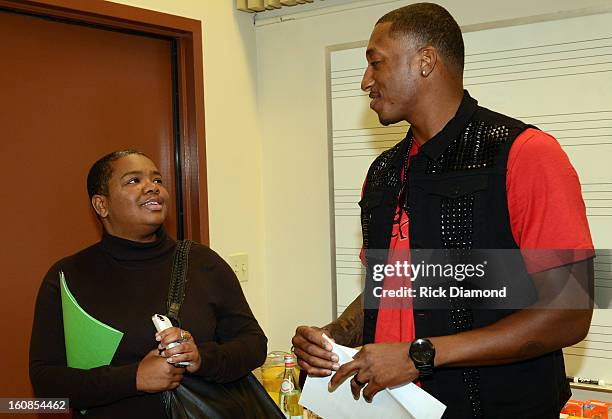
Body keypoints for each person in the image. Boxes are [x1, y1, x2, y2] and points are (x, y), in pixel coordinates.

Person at [292, 3, 594, 418]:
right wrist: (335, 334)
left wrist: (419, 356)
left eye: (375, 64)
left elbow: (569, 315)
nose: (365, 82)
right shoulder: (382, 173)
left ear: (425, 61)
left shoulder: (524, 154)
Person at [29, 150, 267, 418]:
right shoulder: (68, 276)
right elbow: (46, 383)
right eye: (133, 181)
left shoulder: (203, 263)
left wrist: (201, 358)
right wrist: (135, 378)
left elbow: (254, 344)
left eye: (158, 180)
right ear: (101, 205)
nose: (152, 187)